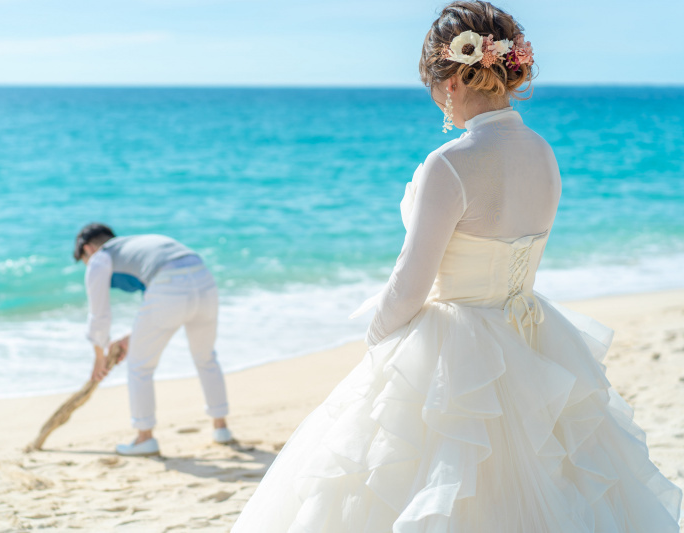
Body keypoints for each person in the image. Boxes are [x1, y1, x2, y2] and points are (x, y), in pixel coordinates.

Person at [231, 2, 682, 531]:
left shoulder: (450, 164)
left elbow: (409, 284)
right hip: (533, 341)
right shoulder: (543, 154)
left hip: (454, 352)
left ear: (449, 82)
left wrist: (379, 346)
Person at [74, 223, 233, 456]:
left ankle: (144, 438)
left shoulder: (101, 257)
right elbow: (159, 301)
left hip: (168, 286)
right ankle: (221, 429)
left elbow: (100, 314)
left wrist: (99, 356)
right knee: (206, 357)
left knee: (140, 366)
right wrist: (132, 337)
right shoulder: (138, 244)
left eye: (83, 261)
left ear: (88, 249)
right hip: (203, 278)